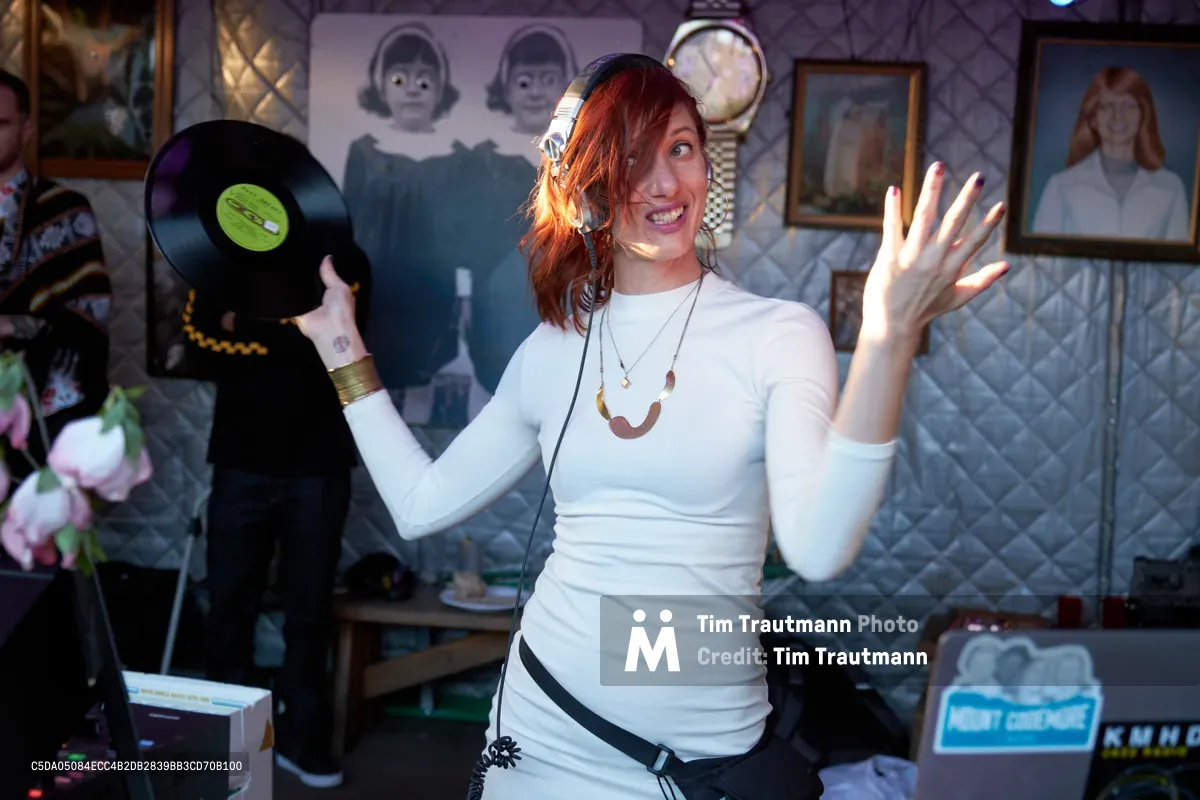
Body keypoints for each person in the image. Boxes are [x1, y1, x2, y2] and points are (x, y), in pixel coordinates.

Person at [295, 61, 1009, 798]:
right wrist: (339, 345)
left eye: (681, 148)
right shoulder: (552, 348)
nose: (665, 184)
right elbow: (420, 503)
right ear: (585, 187)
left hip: (697, 759)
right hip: (540, 732)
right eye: (632, 157)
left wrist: (887, 337)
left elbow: (819, 548)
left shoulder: (778, 334)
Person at [184, 251, 370, 790]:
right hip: (240, 462)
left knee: (309, 612)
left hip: (319, 464)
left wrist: (244, 325)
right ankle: (227, 746)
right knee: (228, 605)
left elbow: (337, 346)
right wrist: (291, 334)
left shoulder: (344, 260)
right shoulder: (217, 257)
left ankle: (303, 739)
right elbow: (197, 346)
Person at [0, 70, 111, 472]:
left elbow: (89, 316)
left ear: (26, 129)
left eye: (1, 124)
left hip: (43, 411)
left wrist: (12, 326)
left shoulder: (65, 211)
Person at [1031, 66, 1190, 241]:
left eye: (1128, 107)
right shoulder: (1060, 186)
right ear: (1092, 118)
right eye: (1107, 107)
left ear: (1143, 115)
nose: (1118, 117)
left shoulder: (1171, 187)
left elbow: (1181, 267)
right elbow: (1040, 262)